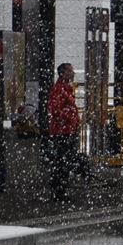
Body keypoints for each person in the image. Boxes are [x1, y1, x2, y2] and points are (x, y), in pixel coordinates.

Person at [46, 62, 80, 201]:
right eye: (70, 71)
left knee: (63, 161)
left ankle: (60, 190)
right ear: (63, 73)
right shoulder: (60, 89)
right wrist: (70, 118)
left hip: (66, 131)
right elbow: (55, 109)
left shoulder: (66, 89)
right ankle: (59, 191)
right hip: (62, 132)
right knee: (62, 162)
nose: (72, 73)